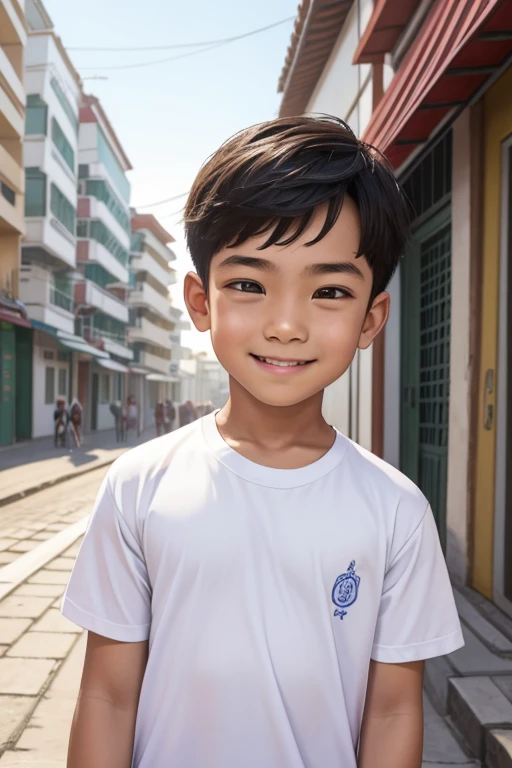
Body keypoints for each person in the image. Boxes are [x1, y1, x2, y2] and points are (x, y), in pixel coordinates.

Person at [62, 116, 464, 768]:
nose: (284, 324)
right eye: (249, 284)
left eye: (329, 290)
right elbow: (107, 696)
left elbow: (392, 710)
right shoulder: (139, 484)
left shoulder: (396, 511)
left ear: (372, 318)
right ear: (201, 301)